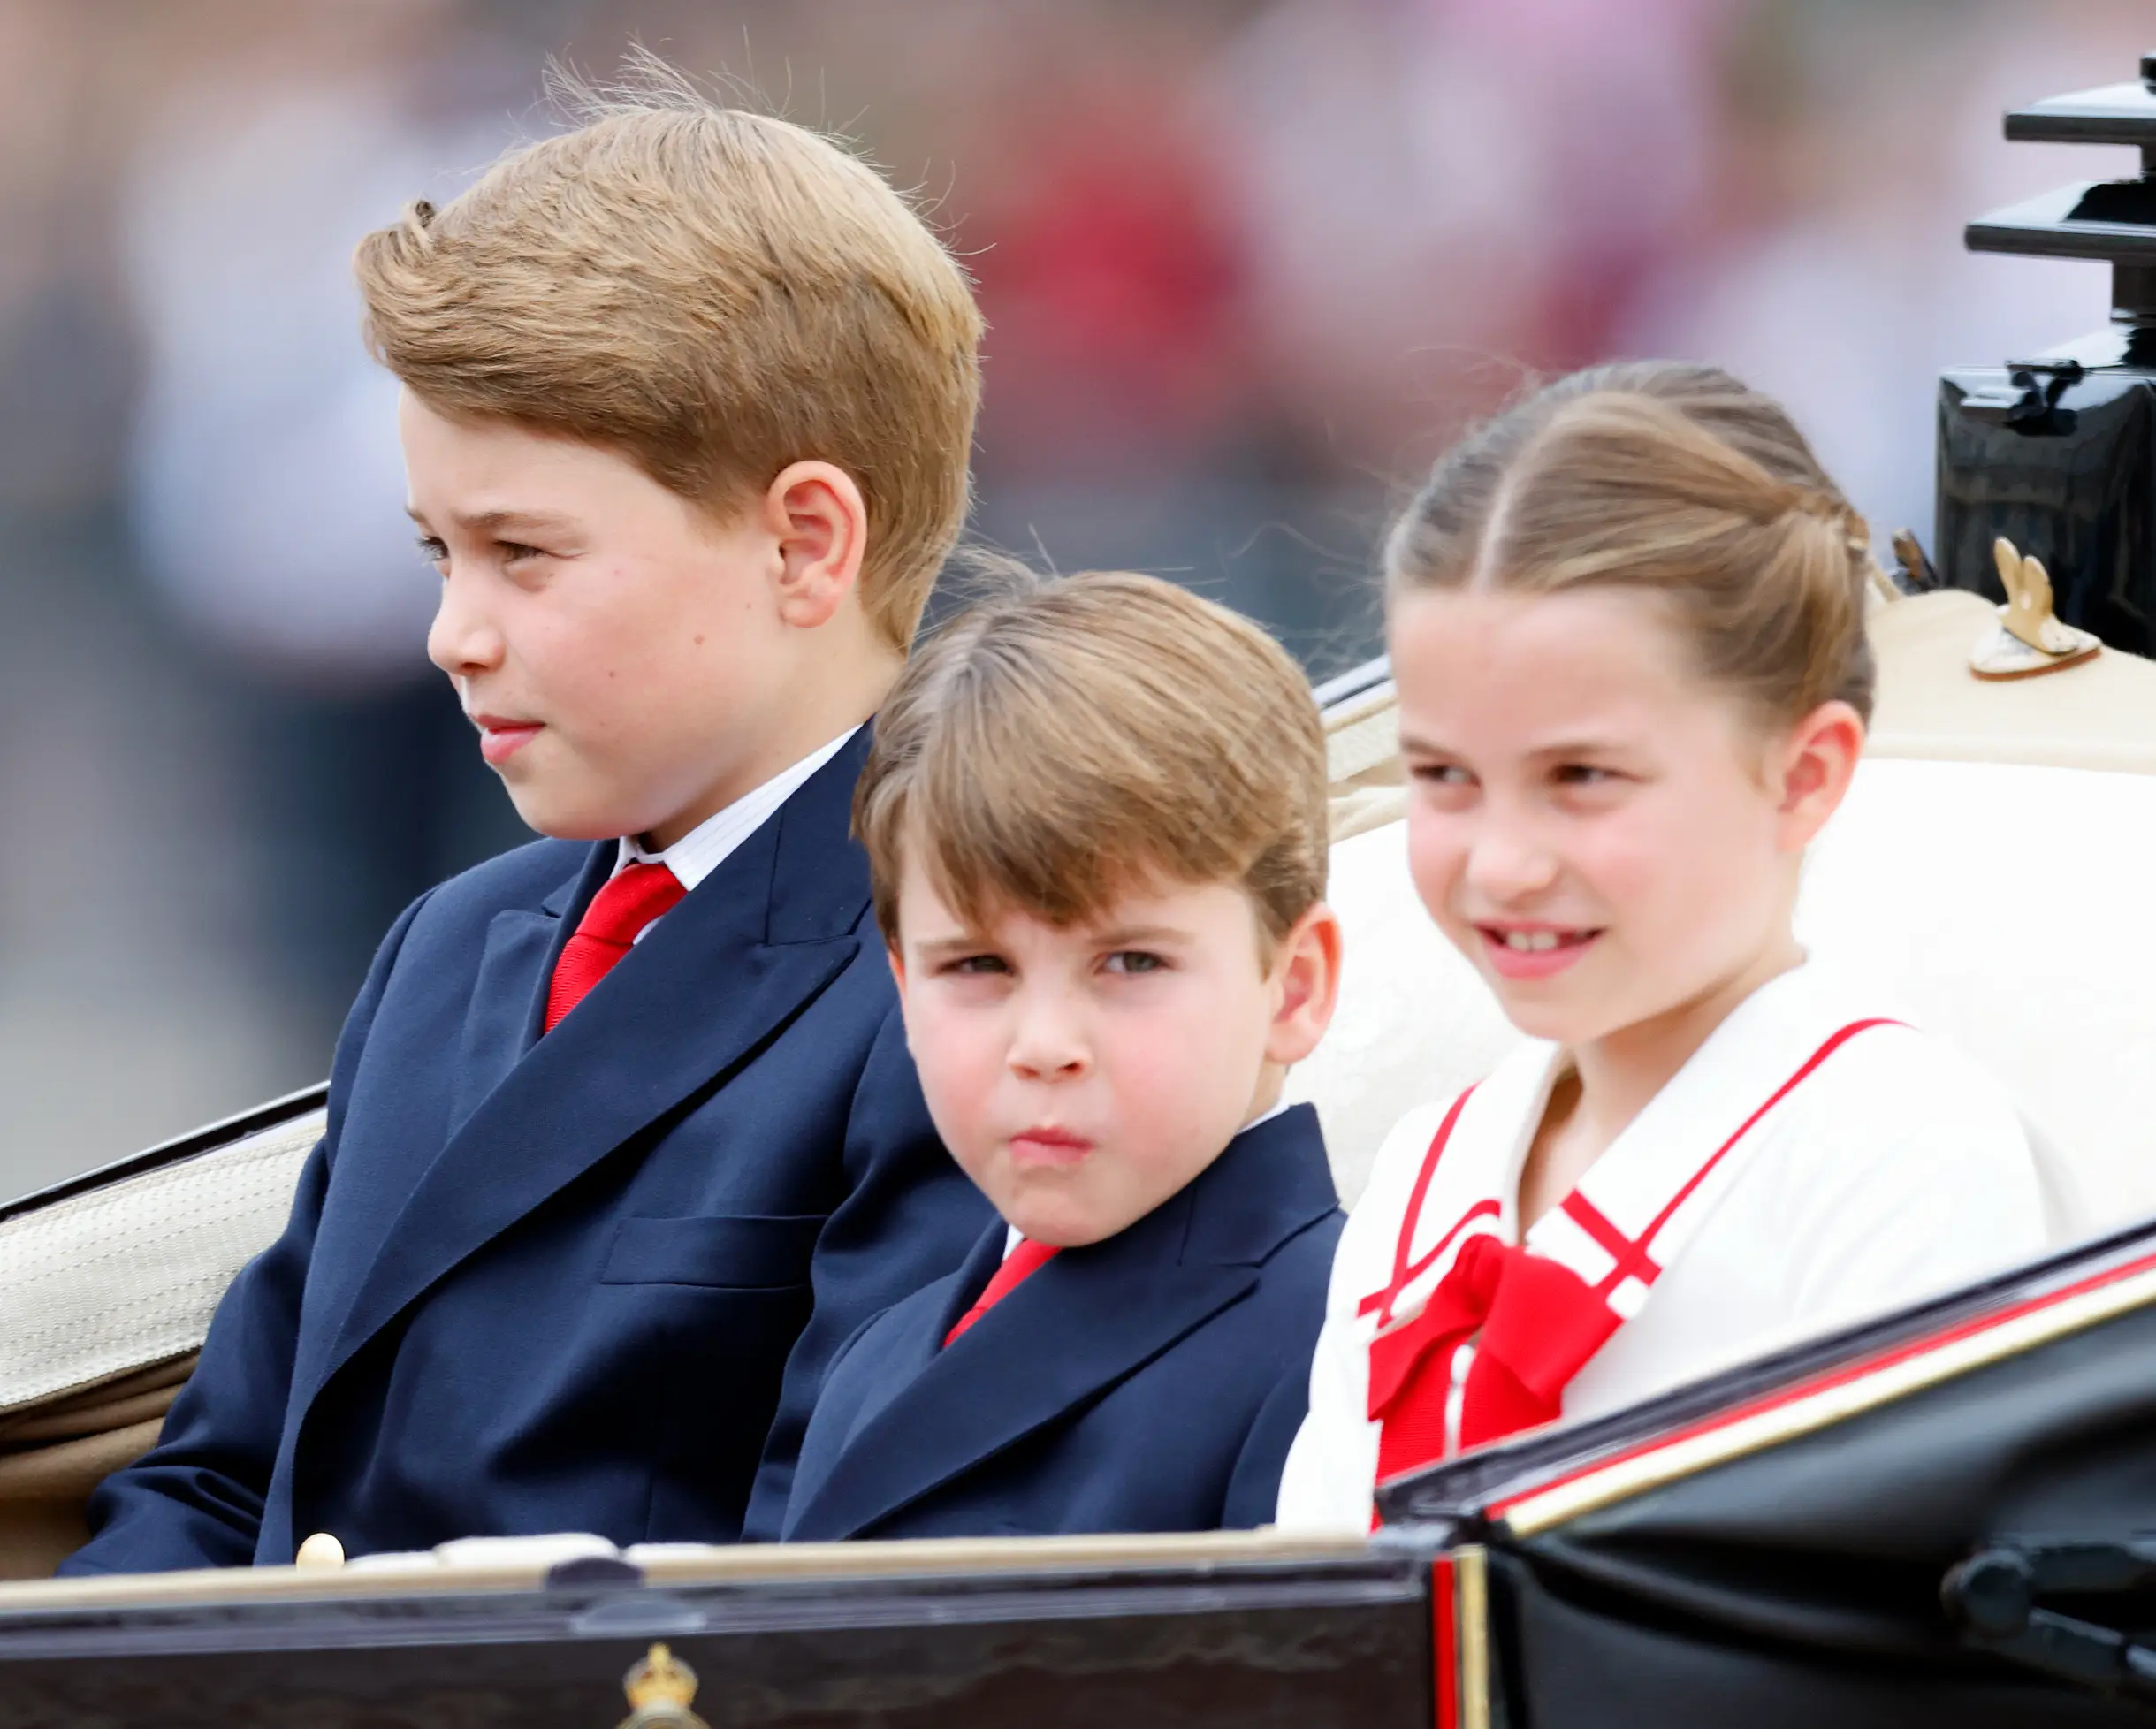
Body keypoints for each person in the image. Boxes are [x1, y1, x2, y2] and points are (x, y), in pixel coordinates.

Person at [63, 71, 994, 1573]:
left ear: (802, 542)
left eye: (522, 554)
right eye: (437, 550)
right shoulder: (452, 945)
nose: (449, 632)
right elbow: (226, 1476)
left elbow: (827, 1594)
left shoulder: (967, 970)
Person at [1276, 362, 2068, 1532]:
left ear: (1800, 776)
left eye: (1580, 778)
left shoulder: (1904, 1162)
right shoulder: (1424, 1168)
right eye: (1442, 775)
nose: (1500, 863)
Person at [768, 573, 1345, 1542]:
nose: (1043, 1047)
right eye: (979, 965)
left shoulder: (1347, 1354)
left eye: (1129, 962)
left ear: (1292, 987)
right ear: (903, 988)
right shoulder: (876, 1357)